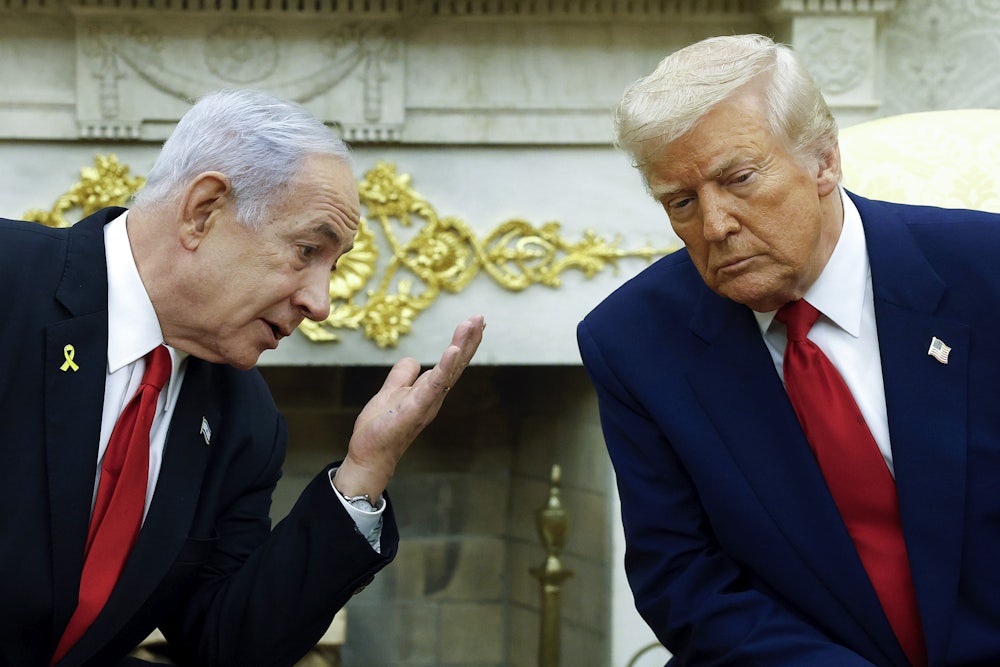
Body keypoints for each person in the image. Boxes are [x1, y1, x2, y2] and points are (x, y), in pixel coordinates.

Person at [0, 88, 485, 667]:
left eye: (334, 266)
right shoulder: (9, 282)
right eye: (307, 250)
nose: (321, 302)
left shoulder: (245, 420)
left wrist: (364, 473)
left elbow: (226, 646)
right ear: (203, 211)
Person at [578, 33, 1000, 666]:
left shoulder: (984, 272)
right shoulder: (634, 341)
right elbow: (684, 581)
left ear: (824, 160)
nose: (715, 224)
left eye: (739, 178)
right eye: (682, 202)